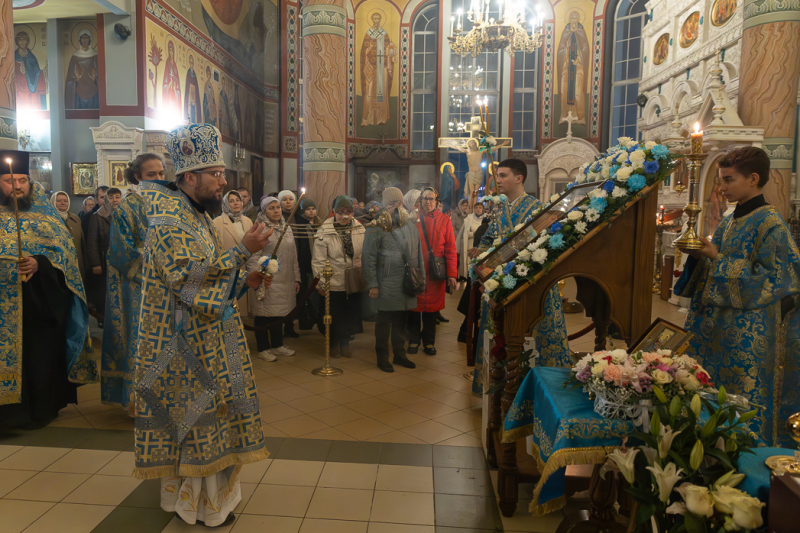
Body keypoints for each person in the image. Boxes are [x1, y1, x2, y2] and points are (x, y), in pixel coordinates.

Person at [134, 124, 273, 527]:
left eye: (223, 172)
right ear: (190, 177)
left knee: (214, 422)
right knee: (198, 425)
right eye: (216, 174)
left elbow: (207, 279)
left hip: (208, 336)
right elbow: (185, 279)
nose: (224, 181)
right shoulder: (168, 221)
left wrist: (241, 279)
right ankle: (201, 508)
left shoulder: (194, 214)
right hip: (184, 348)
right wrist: (239, 255)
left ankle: (208, 503)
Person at [674, 147, 800, 446]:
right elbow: (712, 262)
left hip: (748, 335)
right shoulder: (731, 220)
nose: (721, 187)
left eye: (728, 180)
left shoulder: (771, 224)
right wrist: (700, 255)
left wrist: (716, 256)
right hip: (716, 330)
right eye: (720, 180)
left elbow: (779, 279)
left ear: (753, 179)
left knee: (742, 402)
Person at [0, 150, 97, 428]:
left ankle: (38, 410)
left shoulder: (47, 217)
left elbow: (64, 256)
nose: (17, 186)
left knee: (37, 356)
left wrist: (39, 264)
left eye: (22, 180)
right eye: (9, 180)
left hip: (38, 304)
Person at [468, 159, 571, 395]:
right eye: (498, 176)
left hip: (529, 285)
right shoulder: (499, 208)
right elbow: (489, 240)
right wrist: (480, 251)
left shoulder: (537, 208)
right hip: (500, 286)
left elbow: (545, 247)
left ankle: (541, 388)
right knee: (498, 336)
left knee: (534, 336)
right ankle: (499, 384)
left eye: (503, 175)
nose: (498, 180)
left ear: (519, 178)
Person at [101, 154, 165, 409]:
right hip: (139, 286)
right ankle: (139, 401)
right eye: (152, 174)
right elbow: (119, 251)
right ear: (138, 177)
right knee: (142, 341)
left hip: (169, 283)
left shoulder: (169, 204)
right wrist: (156, 266)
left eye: (161, 173)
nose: (159, 178)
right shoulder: (126, 208)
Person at [363, 187, 425, 372]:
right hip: (385, 283)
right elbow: (368, 257)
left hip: (406, 283)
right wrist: (373, 284)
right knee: (383, 323)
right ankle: (382, 357)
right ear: (384, 205)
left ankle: (400, 354)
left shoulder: (410, 226)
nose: (395, 207)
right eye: (391, 204)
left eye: (398, 203)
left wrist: (421, 280)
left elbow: (418, 255)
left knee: (401, 322)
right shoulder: (376, 226)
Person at [247, 197, 300, 361]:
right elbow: (252, 256)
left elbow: (293, 256)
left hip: (285, 279)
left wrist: (296, 277)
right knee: (263, 315)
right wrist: (258, 275)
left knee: (279, 315)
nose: (277, 210)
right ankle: (263, 348)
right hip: (267, 279)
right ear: (263, 211)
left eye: (278, 207)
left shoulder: (286, 227)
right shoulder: (259, 229)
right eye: (271, 208)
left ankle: (277, 345)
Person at [313, 195, 366, 358]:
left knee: (350, 313)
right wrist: (321, 282)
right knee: (333, 313)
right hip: (333, 279)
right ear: (334, 212)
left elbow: (364, 254)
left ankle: (345, 342)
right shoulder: (324, 231)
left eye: (348, 212)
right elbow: (318, 259)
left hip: (353, 279)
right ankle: (333, 343)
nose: (344, 216)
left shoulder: (359, 228)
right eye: (341, 212)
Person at [407, 188, 457, 355]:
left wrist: (452, 274)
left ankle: (429, 341)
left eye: (431, 199)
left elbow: (450, 248)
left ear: (436, 201)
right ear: (420, 201)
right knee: (414, 308)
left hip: (436, 271)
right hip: (415, 269)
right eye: (425, 199)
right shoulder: (412, 218)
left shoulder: (445, 220)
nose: (428, 202)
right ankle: (413, 340)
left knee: (432, 310)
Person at [213, 190, 254, 317]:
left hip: (246, 266)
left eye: (238, 200)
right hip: (229, 268)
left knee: (244, 310)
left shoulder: (247, 221)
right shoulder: (217, 222)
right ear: (225, 203)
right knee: (231, 311)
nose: (236, 203)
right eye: (231, 201)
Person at [86, 187, 122, 324]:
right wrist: (95, 263)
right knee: (104, 292)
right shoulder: (97, 216)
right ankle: (104, 319)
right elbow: (92, 241)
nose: (114, 200)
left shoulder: (125, 214)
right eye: (111, 197)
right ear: (106, 199)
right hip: (104, 258)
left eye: (117, 197)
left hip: (120, 259)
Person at [294, 197, 323, 330]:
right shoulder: (301, 226)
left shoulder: (320, 225)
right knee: (309, 293)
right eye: (308, 209)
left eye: (313, 209)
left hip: (319, 263)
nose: (311, 212)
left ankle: (318, 316)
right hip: (308, 264)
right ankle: (309, 318)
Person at [277, 190, 300, 338]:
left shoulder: (300, 218)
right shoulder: (278, 219)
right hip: (280, 261)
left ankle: (290, 326)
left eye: (290, 199)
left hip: (296, 260)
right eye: (284, 200)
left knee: (293, 296)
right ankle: (278, 327)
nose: (288, 202)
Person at [50, 191, 86, 281]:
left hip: (77, 261)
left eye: (65, 201)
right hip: (59, 262)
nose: (63, 203)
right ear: (53, 202)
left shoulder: (76, 219)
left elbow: (82, 243)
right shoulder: (49, 220)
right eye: (59, 201)